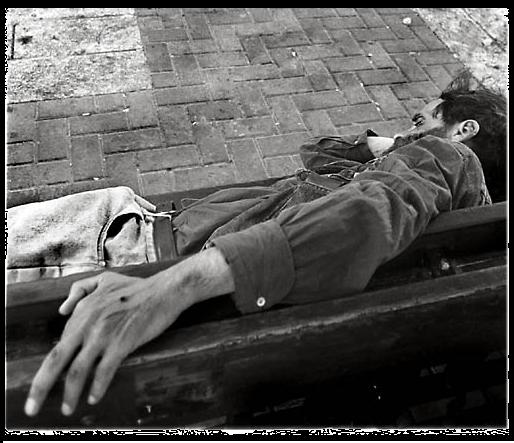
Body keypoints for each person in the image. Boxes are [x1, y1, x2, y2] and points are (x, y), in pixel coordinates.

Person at [13, 72, 506, 418]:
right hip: (140, 240)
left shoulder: (447, 159)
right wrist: (386, 144)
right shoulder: (451, 200)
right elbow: (316, 153)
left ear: (463, 130)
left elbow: (370, 213)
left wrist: (172, 285)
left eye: (420, 120)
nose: (410, 129)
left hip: (125, 245)